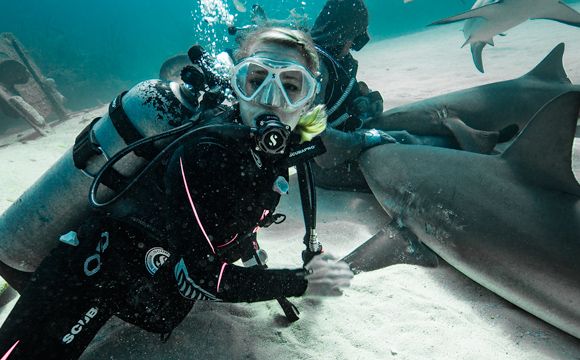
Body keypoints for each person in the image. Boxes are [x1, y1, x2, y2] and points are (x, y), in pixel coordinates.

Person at [0, 27, 353, 360]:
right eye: (256, 81)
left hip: (152, 275)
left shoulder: (288, 146)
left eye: (292, 86)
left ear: (309, 101)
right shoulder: (203, 151)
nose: (270, 100)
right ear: (238, 85)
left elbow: (236, 219)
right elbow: (204, 278)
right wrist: (303, 282)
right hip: (92, 271)